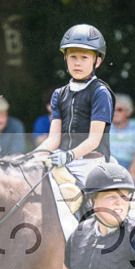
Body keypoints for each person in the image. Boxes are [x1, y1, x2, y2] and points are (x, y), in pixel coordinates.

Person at [34, 24, 114, 186]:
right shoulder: (59, 94)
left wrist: (69, 155)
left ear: (97, 61)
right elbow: (54, 139)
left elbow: (94, 140)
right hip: (61, 159)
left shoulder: (100, 92)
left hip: (90, 164)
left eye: (84, 57)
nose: (77, 63)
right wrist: (31, 158)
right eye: (73, 57)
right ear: (65, 59)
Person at [110, 93, 135, 185]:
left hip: (131, 164)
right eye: (113, 109)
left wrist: (132, 169)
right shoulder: (106, 126)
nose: (115, 113)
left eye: (119, 110)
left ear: (129, 111)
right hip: (111, 165)